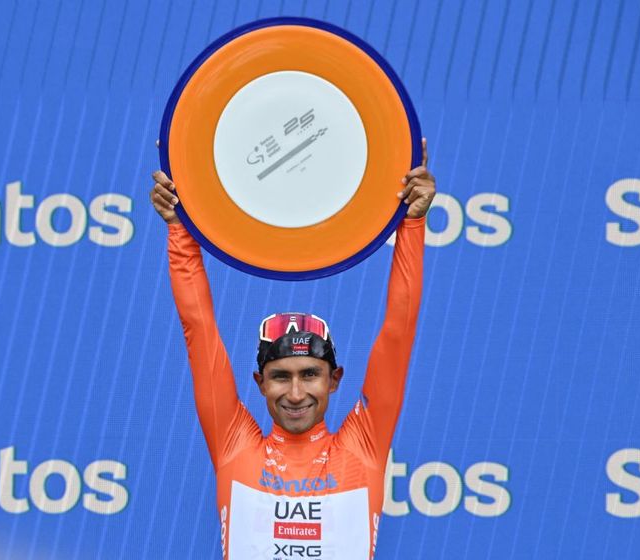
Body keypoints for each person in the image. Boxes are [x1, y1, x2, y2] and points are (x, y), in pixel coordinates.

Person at [151, 139, 435, 559]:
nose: (297, 393)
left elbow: (399, 331)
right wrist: (179, 226)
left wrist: (412, 223)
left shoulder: (364, 445)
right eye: (281, 376)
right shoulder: (235, 445)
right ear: (260, 383)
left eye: (310, 374)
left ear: (334, 379)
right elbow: (199, 328)